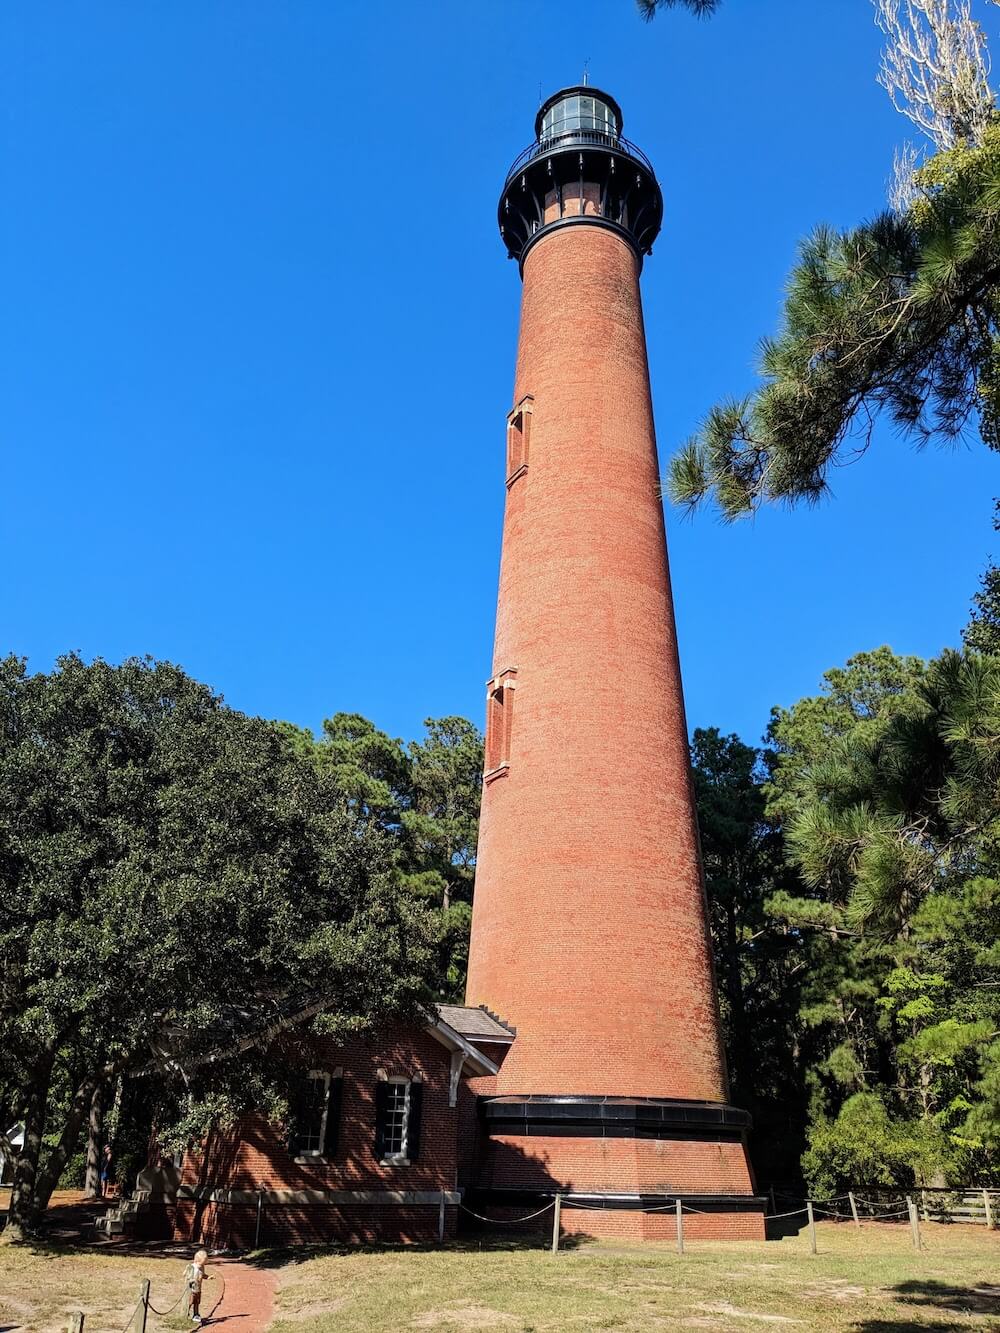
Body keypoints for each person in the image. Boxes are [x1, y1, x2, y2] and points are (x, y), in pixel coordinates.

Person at [184, 1249, 212, 1325]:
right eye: (201, 1264)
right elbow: (185, 1275)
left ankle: (196, 1314)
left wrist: (208, 1277)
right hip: (191, 1288)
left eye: (204, 1264)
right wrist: (192, 1280)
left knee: (197, 1302)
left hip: (198, 1288)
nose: (202, 1266)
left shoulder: (202, 1267)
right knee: (190, 1301)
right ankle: (185, 1312)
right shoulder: (192, 1267)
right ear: (197, 1261)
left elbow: (202, 1275)